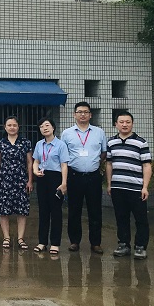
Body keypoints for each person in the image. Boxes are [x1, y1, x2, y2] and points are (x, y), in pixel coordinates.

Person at [61, 101, 108, 253]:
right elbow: (63, 155)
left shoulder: (99, 132)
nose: (83, 114)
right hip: (74, 176)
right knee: (74, 210)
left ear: (90, 115)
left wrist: (95, 163)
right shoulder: (67, 133)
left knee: (95, 210)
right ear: (74, 115)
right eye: (79, 112)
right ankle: (74, 241)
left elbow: (104, 152)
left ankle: (95, 243)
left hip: (93, 177)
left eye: (86, 112)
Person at [106, 110, 152, 260]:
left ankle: (140, 246)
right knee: (121, 217)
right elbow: (109, 164)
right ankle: (123, 244)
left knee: (141, 219)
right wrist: (109, 184)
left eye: (128, 122)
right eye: (121, 122)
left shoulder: (141, 142)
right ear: (116, 124)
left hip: (136, 188)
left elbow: (147, 165)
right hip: (117, 188)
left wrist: (145, 187)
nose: (124, 125)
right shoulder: (111, 142)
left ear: (132, 124)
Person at [0, 115, 33, 250]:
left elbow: (29, 162)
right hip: (4, 180)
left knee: (22, 210)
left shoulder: (25, 143)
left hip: (21, 180)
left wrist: (30, 180)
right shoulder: (1, 143)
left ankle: (20, 238)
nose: (12, 127)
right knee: (4, 210)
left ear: (18, 127)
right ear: (5, 127)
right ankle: (6, 237)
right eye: (9, 125)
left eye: (14, 125)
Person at [32, 117, 69, 255]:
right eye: (41, 126)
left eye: (47, 125)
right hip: (42, 178)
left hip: (56, 178)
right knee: (43, 211)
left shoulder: (61, 145)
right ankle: (42, 242)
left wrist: (64, 183)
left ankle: (55, 243)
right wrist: (35, 171)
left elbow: (64, 165)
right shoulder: (39, 144)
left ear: (53, 127)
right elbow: (36, 161)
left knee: (56, 211)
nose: (44, 128)